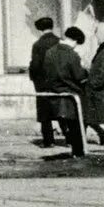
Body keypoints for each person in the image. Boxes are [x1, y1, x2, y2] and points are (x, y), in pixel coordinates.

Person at [27, 18, 86, 159]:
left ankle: (48, 140)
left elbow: (37, 67)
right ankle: (73, 144)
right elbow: (77, 74)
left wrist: (36, 80)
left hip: (48, 86)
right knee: (72, 118)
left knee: (45, 114)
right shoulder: (68, 50)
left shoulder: (43, 48)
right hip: (69, 88)